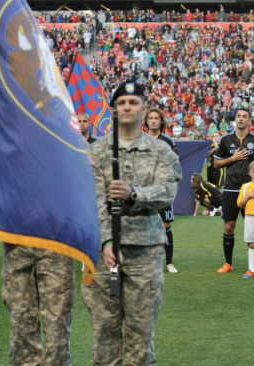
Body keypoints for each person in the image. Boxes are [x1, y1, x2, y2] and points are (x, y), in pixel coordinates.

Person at [82, 82, 181, 365]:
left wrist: (135, 194)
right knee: (104, 335)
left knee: (141, 336)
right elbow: (92, 198)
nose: (127, 106)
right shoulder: (98, 152)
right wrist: (106, 239)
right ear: (113, 109)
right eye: (122, 102)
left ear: (144, 109)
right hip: (103, 254)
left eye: (133, 102)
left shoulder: (160, 151)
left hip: (144, 254)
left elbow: (168, 191)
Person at [214, 108, 254, 273]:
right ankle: (228, 263)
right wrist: (233, 158)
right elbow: (217, 163)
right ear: (235, 119)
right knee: (229, 226)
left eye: (245, 116)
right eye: (239, 116)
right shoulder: (225, 140)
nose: (241, 119)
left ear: (249, 120)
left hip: (250, 191)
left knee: (252, 227)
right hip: (230, 189)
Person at [145, 107, 180, 273]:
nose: (153, 121)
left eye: (156, 118)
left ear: (161, 121)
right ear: (146, 121)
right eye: (150, 118)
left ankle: (169, 262)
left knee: (166, 224)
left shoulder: (168, 141)